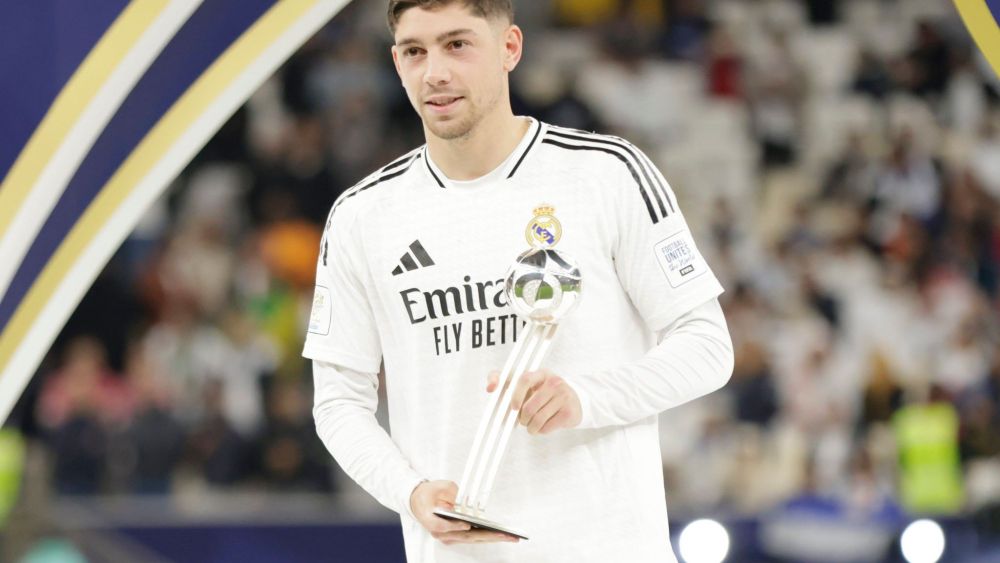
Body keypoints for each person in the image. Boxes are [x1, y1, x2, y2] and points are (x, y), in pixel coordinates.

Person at [303, 1, 734, 561]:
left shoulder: (606, 173)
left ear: (510, 48)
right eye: (415, 51)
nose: (435, 72)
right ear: (396, 61)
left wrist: (583, 398)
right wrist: (408, 492)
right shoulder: (362, 216)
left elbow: (708, 346)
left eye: (458, 44)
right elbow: (338, 402)